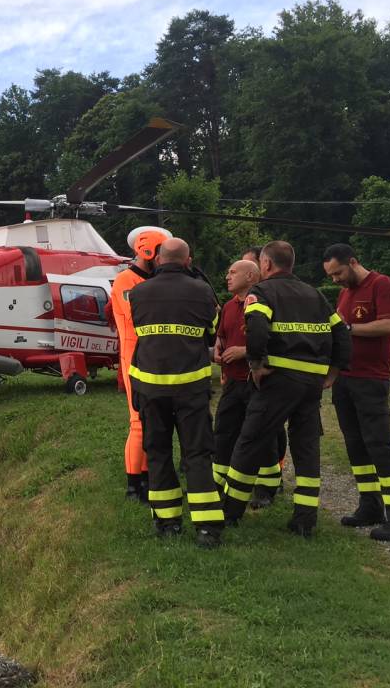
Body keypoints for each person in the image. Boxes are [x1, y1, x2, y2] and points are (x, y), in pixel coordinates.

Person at [222, 241, 351, 538]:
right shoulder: (315, 294)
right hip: (312, 385)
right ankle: (305, 521)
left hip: (278, 381)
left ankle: (230, 513)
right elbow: (341, 333)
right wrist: (334, 370)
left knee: (250, 441)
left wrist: (255, 364)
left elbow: (255, 326)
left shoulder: (262, 292)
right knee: (306, 449)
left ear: (265, 264)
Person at [128, 237, 224, 548]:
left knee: (157, 453)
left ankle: (167, 523)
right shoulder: (203, 291)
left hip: (151, 386)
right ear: (187, 260)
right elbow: (211, 333)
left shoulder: (139, 292)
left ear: (157, 260)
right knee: (197, 455)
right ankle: (207, 528)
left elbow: (139, 330)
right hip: (190, 388)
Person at [322, 244, 390, 541]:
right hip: (346, 379)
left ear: (353, 262)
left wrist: (348, 329)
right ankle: (371, 505)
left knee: (380, 445)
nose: (335, 279)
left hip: (371, 379)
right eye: (330, 275)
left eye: (338, 272)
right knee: (356, 446)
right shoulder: (344, 293)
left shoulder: (382, 284)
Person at [212, 259, 283, 508]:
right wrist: (219, 350)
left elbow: (275, 339)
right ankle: (218, 483)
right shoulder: (230, 306)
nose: (227, 277)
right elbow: (222, 335)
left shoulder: (263, 302)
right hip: (233, 381)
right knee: (223, 431)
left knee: (261, 434)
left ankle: (267, 488)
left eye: (233, 272)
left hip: (258, 381)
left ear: (251, 277)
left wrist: (245, 352)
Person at [110, 226, 173, 502]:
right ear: (148, 252)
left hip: (156, 355)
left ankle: (149, 475)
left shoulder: (154, 279)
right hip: (134, 355)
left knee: (156, 419)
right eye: (161, 254)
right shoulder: (125, 280)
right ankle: (134, 484)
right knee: (138, 421)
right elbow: (137, 316)